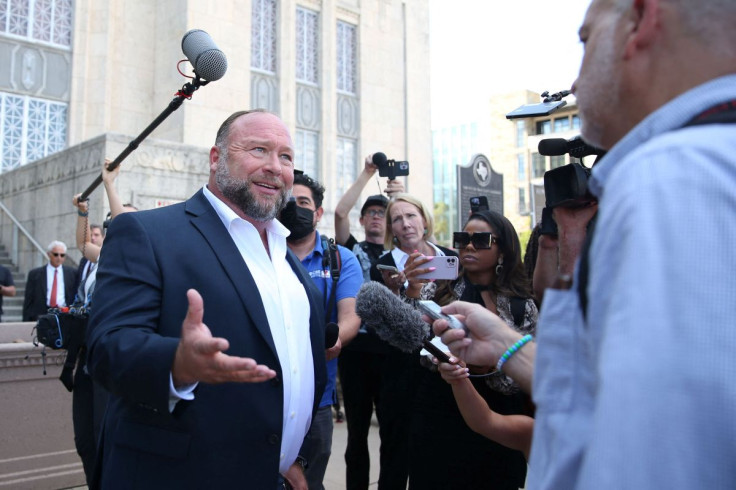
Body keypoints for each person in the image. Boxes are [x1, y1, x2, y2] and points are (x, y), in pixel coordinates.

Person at [434, 0, 736, 487]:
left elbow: (662, 457)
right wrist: (510, 346)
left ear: (641, 19)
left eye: (586, 39)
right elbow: (607, 396)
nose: (574, 83)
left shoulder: (674, 180)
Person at [85, 109, 328, 490]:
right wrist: (176, 363)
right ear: (216, 159)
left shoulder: (287, 255)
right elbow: (106, 348)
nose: (274, 167)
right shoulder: (147, 233)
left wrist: (290, 459)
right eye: (259, 150)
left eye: (286, 157)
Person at [404, 210, 536, 489]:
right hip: (439, 408)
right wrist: (412, 290)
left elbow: (519, 378)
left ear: (503, 249)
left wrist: (484, 365)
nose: (470, 246)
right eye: (463, 239)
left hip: (499, 417)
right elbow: (411, 339)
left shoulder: (521, 305)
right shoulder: (436, 290)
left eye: (482, 240)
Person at [367, 193, 455, 489]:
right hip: (400, 369)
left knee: (436, 453)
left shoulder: (448, 257)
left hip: (443, 366)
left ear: (424, 219)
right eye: (397, 219)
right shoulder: (385, 265)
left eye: (410, 216)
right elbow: (383, 322)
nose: (405, 224)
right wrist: (396, 292)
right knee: (395, 450)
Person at [282, 173, 362, 489]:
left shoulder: (340, 259)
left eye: (303, 203)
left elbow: (351, 315)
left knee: (308, 481)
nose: (295, 208)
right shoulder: (260, 251)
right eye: (289, 203)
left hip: (317, 400)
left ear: (318, 213)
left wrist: (338, 338)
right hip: (266, 394)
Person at [333, 154, 404, 490]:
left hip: (392, 351)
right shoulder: (351, 251)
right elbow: (339, 213)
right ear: (363, 220)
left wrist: (398, 197)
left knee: (393, 431)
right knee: (357, 433)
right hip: (357, 350)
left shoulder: (401, 252)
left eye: (382, 214)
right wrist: (367, 173)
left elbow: (412, 221)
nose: (377, 218)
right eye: (371, 213)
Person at [69, 159, 136, 485]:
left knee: (103, 436)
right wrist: (83, 212)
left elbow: (123, 224)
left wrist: (110, 183)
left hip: (112, 361)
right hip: (85, 359)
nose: (117, 226)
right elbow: (83, 245)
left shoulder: (135, 259)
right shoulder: (108, 255)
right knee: (85, 440)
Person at [22, 241, 76, 322]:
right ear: (48, 254)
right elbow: (28, 300)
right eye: (56, 254)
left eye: (62, 255)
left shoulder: (72, 273)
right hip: (42, 314)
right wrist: (26, 321)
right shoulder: (35, 274)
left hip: (64, 314)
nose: (59, 257)